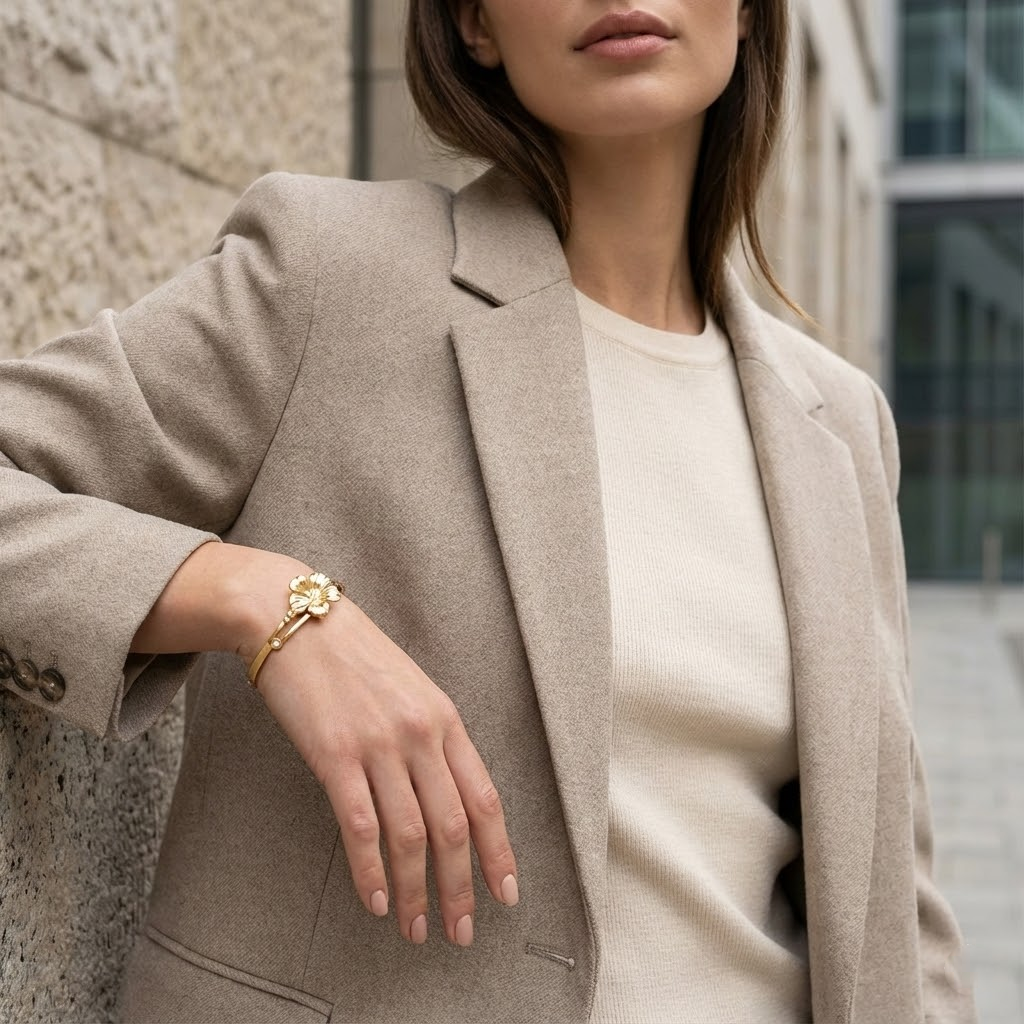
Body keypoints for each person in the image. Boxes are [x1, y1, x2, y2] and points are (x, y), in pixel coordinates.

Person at [0, 0, 976, 1021]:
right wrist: (268, 603)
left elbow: (896, 905)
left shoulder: (840, 425)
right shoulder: (332, 281)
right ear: (474, 24)